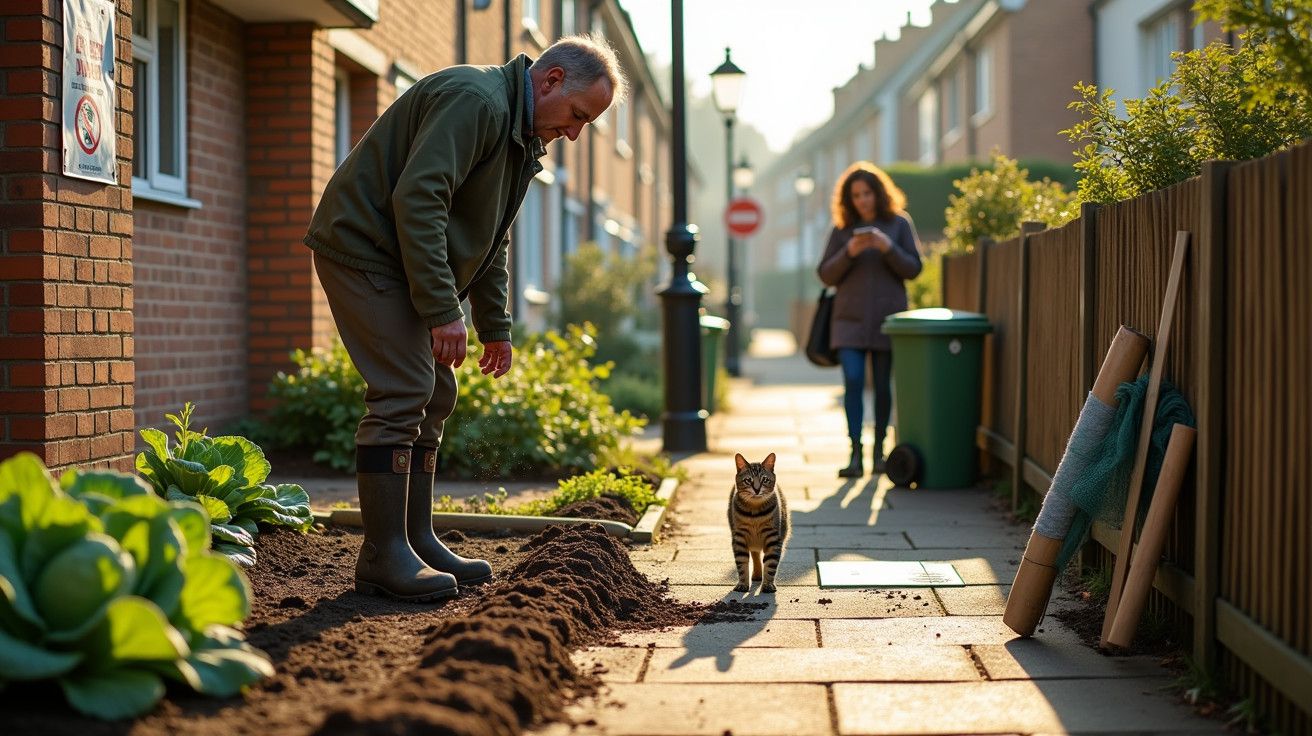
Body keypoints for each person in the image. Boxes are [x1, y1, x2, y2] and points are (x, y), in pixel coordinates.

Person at [302, 33, 627, 602]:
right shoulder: (476, 102)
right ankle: (383, 556)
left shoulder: (518, 136)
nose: (575, 133)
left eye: (587, 125)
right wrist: (441, 309)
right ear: (550, 80)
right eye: (576, 115)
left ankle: (414, 536)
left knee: (435, 392)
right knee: (404, 388)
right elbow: (419, 199)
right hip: (366, 249)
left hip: (405, 258)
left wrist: (493, 326)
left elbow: (489, 236)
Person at [817, 162, 923, 478]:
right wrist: (849, 250)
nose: (863, 200)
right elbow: (825, 274)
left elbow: (914, 269)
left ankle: (879, 454)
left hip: (887, 321)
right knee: (852, 380)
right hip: (847, 322)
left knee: (881, 387)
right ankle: (854, 454)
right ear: (849, 199)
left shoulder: (899, 225)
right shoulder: (841, 231)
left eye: (867, 193)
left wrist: (887, 246)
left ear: (878, 194)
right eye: (856, 195)